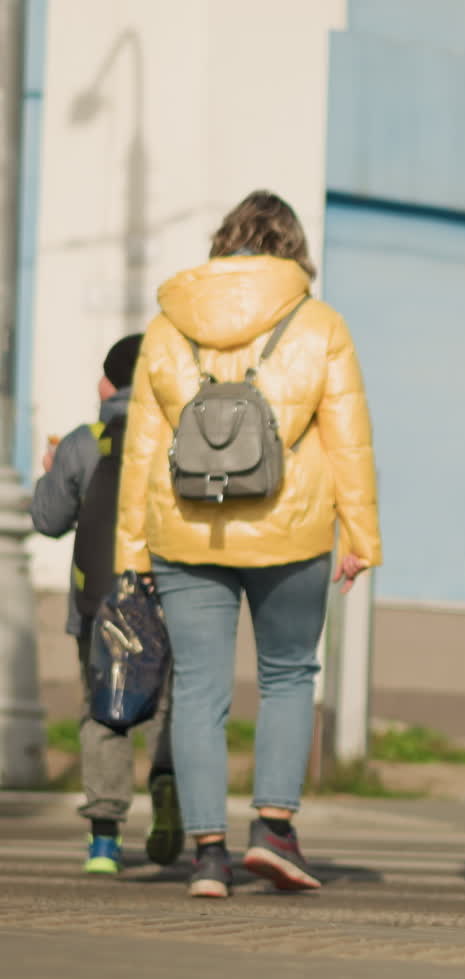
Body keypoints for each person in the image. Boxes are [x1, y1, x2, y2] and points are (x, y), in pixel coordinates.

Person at [115, 189, 382, 899]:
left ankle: (208, 855)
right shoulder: (320, 323)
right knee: (289, 674)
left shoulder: (168, 326)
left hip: (184, 526)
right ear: (294, 249)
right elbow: (347, 437)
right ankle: (273, 829)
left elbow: (143, 448)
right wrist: (360, 534)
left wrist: (132, 552)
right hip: (291, 527)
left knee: (200, 687)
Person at [31, 335, 182, 876]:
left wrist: (52, 472)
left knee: (104, 709)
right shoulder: (175, 436)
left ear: (107, 383)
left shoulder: (81, 442)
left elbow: (47, 520)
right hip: (168, 596)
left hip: (98, 601)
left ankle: (104, 839)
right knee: (167, 707)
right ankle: (167, 784)